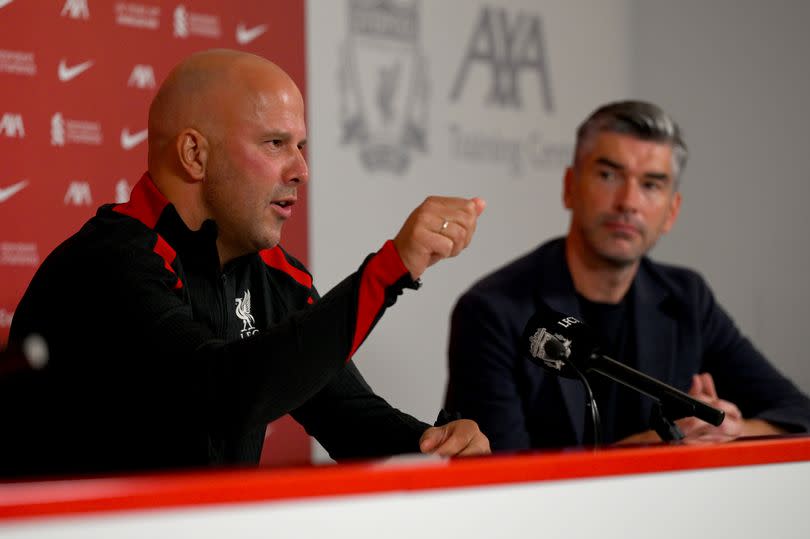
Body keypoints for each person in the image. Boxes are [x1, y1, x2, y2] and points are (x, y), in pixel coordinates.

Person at [1, 49, 489, 477]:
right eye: (275, 144)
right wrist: (389, 270)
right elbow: (221, 393)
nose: (301, 171)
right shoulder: (107, 265)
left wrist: (439, 446)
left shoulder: (273, 274)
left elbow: (352, 419)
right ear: (194, 154)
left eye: (301, 147)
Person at [445, 100, 810, 450]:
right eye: (608, 175)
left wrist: (729, 430)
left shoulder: (687, 299)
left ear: (672, 211)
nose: (628, 202)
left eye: (651, 184)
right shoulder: (493, 310)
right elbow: (499, 479)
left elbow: (799, 414)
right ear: (569, 187)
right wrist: (662, 442)